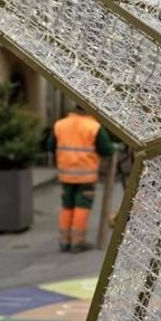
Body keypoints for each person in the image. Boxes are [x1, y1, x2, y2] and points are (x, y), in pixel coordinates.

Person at [48, 104, 114, 252]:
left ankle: (64, 241)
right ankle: (78, 242)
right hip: (85, 175)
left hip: (65, 174)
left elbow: (51, 146)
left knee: (67, 205)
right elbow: (107, 149)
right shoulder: (93, 127)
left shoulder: (60, 125)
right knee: (82, 206)